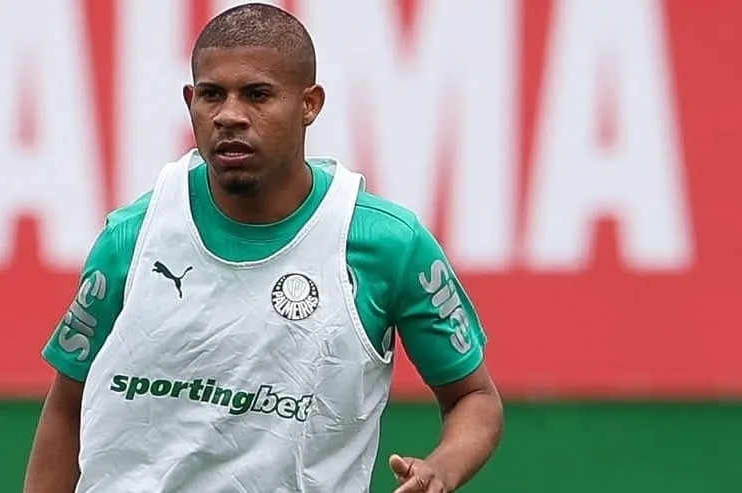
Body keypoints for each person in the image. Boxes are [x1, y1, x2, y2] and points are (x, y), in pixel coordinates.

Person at [24, 3, 502, 492]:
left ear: (309, 104)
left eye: (257, 95)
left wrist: (441, 469)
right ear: (190, 100)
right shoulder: (132, 238)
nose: (230, 115)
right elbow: (67, 406)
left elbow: (475, 398)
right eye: (211, 95)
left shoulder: (389, 244)